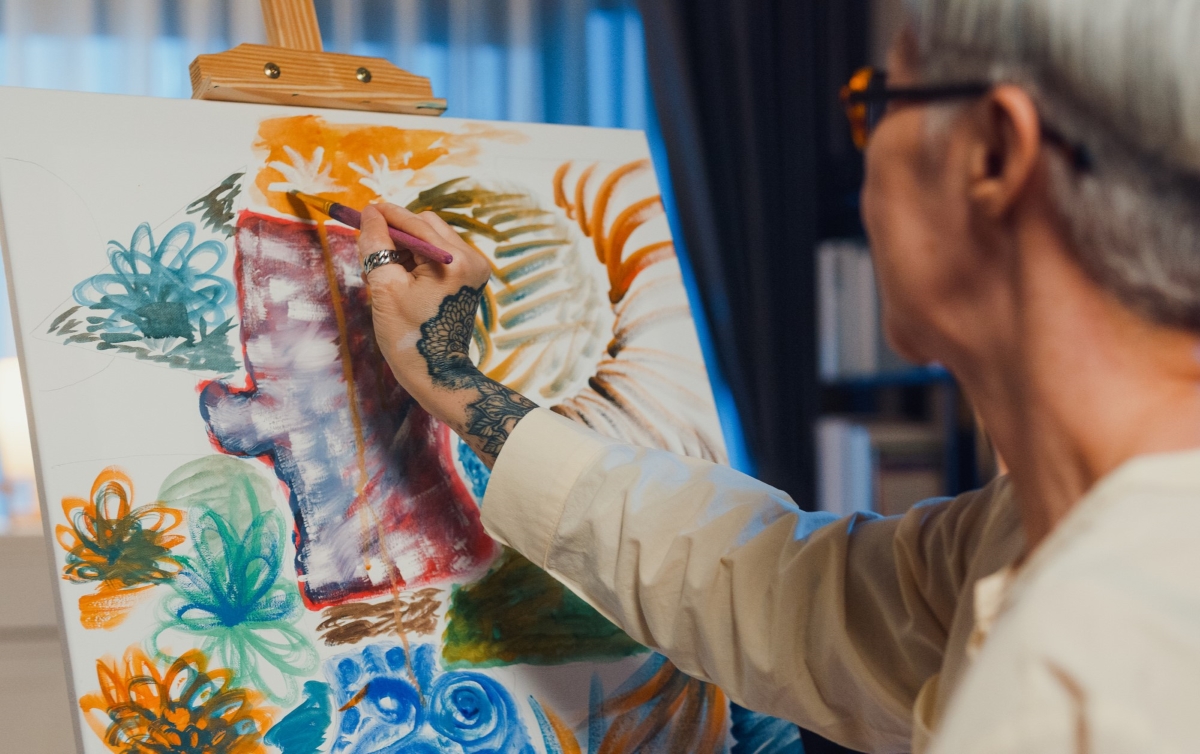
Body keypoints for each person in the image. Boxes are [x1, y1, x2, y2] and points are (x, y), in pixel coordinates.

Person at [352, 0, 1200, 751]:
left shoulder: (1103, 661)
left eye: (876, 106)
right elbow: (781, 592)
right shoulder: (1046, 529)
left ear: (991, 156)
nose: (861, 160)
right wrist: (459, 383)